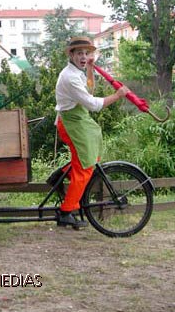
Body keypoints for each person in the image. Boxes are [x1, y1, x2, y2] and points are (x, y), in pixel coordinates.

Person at [51, 36, 129, 228]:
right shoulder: (69, 77)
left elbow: (89, 91)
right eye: (79, 53)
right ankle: (66, 211)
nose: (84, 56)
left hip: (77, 121)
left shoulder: (76, 72)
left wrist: (91, 69)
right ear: (71, 55)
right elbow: (94, 105)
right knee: (86, 167)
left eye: (86, 53)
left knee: (86, 161)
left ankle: (59, 176)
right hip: (71, 124)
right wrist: (117, 95)